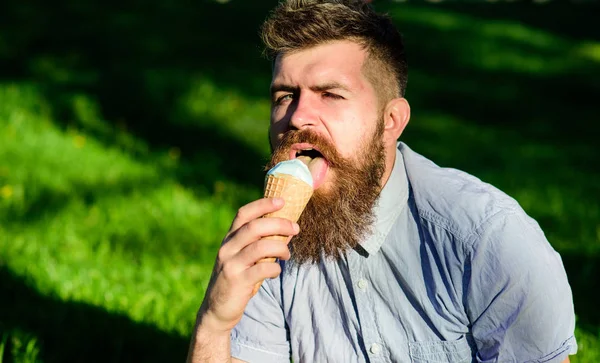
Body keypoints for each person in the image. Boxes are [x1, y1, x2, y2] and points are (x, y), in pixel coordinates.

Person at [187, 1, 577, 362]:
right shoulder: (268, 245)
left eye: (330, 95)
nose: (298, 117)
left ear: (391, 122)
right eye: (285, 96)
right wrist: (215, 323)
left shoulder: (487, 239)